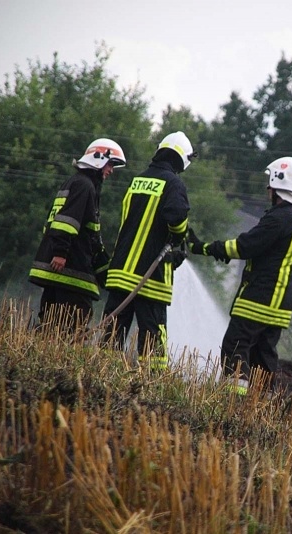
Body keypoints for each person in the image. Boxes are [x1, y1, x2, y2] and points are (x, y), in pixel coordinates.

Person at [188, 156, 292, 395]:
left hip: (258, 297)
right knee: (263, 356)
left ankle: (233, 401)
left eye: (270, 184)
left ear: (276, 185)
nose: (268, 190)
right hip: (281, 305)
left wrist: (204, 247)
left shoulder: (278, 218)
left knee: (235, 346)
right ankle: (261, 405)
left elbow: (244, 246)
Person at [102, 131, 195, 371]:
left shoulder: (138, 180)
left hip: (121, 271)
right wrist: (179, 238)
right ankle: (152, 381)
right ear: (181, 159)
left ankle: (103, 374)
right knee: (152, 334)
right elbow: (176, 216)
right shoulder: (174, 183)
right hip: (150, 278)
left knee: (112, 332)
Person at [29, 138, 126, 335]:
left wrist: (105, 275)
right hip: (70, 272)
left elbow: (89, 239)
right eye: (110, 164)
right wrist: (60, 253)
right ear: (98, 159)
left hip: (62, 271)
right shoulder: (84, 186)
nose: (111, 170)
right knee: (73, 328)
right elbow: (66, 222)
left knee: (50, 327)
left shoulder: (76, 182)